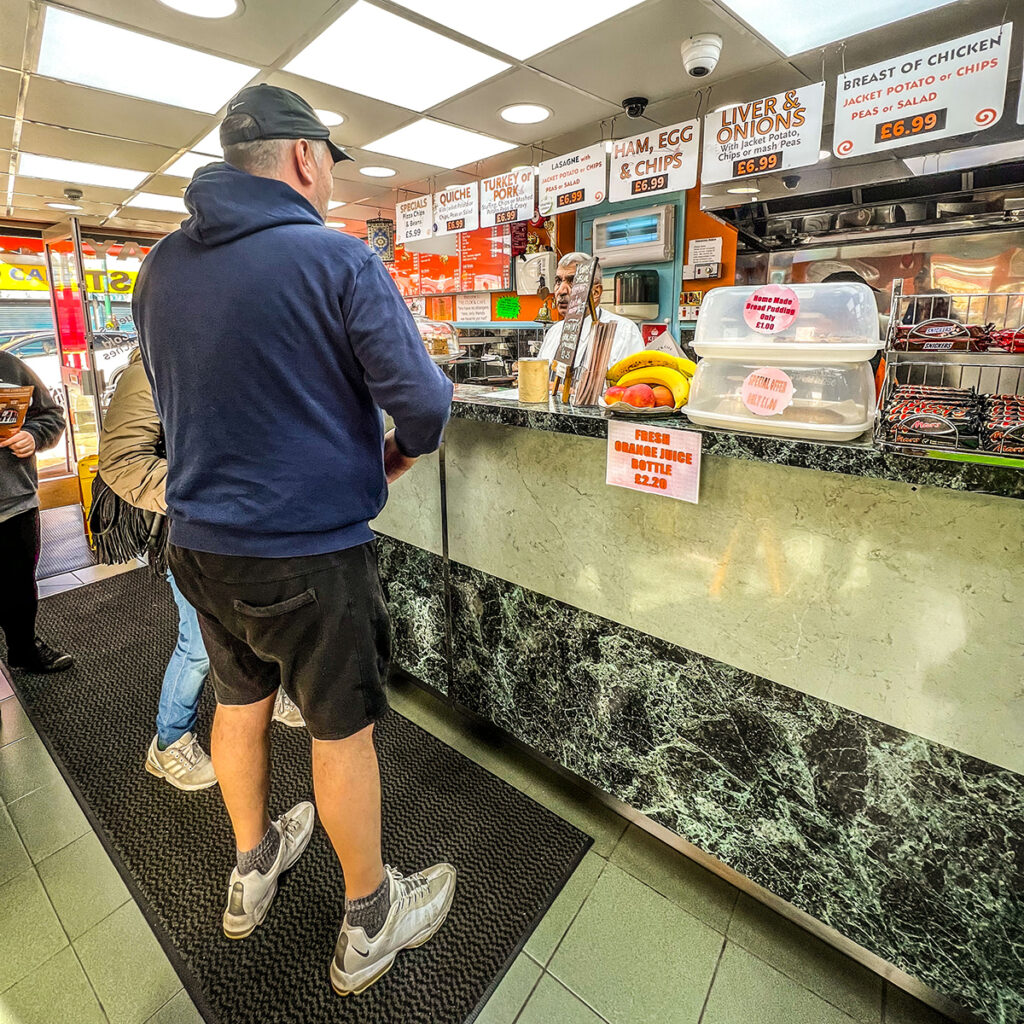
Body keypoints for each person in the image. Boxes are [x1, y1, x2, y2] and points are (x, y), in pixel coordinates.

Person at [134, 84, 456, 995]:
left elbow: (179, 392)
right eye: (327, 166)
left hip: (198, 545)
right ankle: (369, 918)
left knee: (238, 701)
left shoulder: (159, 268)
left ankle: (250, 865)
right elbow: (425, 406)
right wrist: (393, 454)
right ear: (306, 158)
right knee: (338, 728)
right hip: (308, 553)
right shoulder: (337, 260)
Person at [97, 350, 305, 793]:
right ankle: (170, 741)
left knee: (259, 618)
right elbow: (121, 462)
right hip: (189, 528)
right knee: (197, 643)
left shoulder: (223, 360)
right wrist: (205, 494)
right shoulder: (148, 369)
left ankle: (276, 694)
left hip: (241, 524)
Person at [0, 349, 73, 673]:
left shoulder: (8, 365)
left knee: (19, 585)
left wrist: (32, 435)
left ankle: (23, 649)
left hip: (14, 503)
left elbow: (51, 416)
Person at [536, 252, 645, 371]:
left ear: (596, 292)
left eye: (573, 281)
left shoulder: (624, 332)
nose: (561, 291)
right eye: (558, 281)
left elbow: (634, 387)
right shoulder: (554, 333)